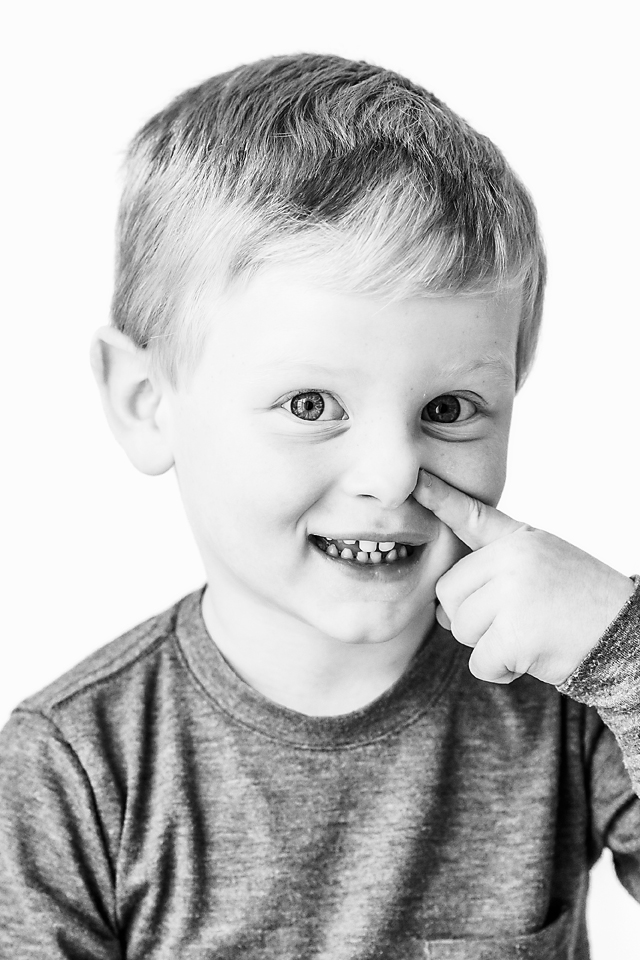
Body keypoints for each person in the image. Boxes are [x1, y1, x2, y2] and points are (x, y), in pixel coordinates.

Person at [0, 52, 638, 959]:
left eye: (448, 409)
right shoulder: (73, 768)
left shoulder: (572, 693)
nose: (391, 474)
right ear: (147, 403)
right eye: (310, 405)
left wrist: (624, 647)